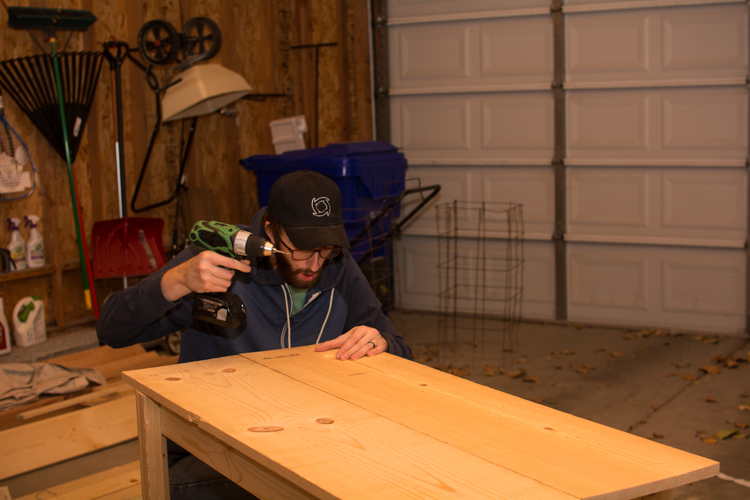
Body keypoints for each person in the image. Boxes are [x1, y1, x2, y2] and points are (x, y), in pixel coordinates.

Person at [96, 169, 412, 499]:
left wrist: (382, 342)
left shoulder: (339, 266)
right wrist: (175, 281)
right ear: (270, 230)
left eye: (326, 249)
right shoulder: (215, 263)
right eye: (302, 249)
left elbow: (401, 350)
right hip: (209, 452)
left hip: (306, 441)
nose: (315, 265)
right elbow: (111, 329)